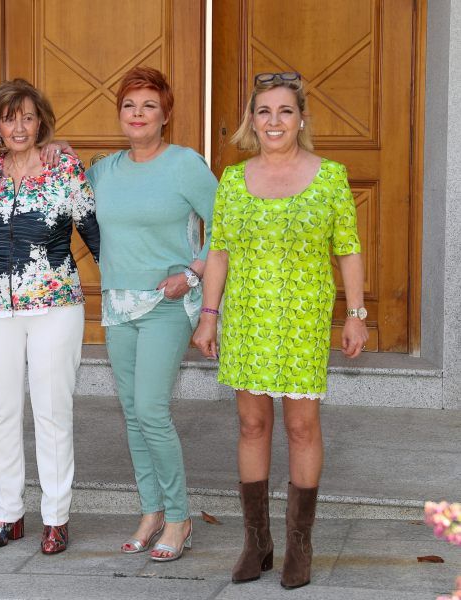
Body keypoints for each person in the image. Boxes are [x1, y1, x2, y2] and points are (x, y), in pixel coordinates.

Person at [193, 72, 368, 589]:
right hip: (247, 319)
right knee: (251, 425)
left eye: (285, 111)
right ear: (252, 120)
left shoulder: (330, 177)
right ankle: (257, 542)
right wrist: (209, 314)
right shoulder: (232, 180)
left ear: (301, 119)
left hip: (302, 320)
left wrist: (355, 314)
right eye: (264, 112)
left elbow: (348, 248)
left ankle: (299, 545)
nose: (274, 121)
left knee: (301, 427)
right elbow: (219, 252)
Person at [86, 66, 218, 562]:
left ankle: (180, 518)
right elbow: (65, 191)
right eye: (129, 105)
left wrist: (195, 272)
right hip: (118, 304)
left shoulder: (185, 164)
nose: (137, 114)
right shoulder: (104, 171)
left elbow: (225, 227)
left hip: (168, 302)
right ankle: (151, 510)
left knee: (151, 410)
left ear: (165, 115)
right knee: (133, 415)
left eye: (148, 106)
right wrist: (54, 153)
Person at [0, 79, 100, 555]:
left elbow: (94, 232)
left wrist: (124, 297)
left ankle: (56, 517)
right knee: (0, 412)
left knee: (51, 411)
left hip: (55, 307)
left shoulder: (63, 166)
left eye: (28, 116)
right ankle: (8, 514)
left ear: (41, 121)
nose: (19, 126)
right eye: (10, 117)